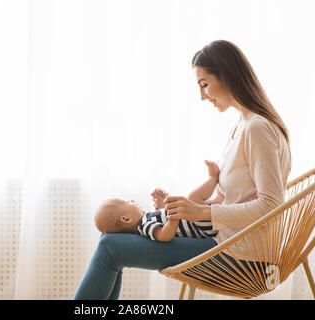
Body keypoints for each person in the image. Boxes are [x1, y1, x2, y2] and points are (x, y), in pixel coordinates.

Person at [73, 40, 292, 300]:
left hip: (243, 259)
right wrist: (189, 209)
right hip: (225, 244)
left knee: (110, 247)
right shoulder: (243, 126)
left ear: (229, 75)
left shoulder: (257, 128)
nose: (202, 96)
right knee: (110, 243)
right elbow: (232, 200)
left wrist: (202, 212)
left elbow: (271, 206)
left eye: (205, 84)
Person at [94, 160, 220, 241]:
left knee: (200, 201)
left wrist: (162, 205)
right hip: (200, 227)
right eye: (127, 202)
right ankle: (213, 178)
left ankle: (220, 198)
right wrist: (173, 216)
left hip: (198, 219)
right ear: (126, 219)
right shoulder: (144, 226)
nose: (132, 200)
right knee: (193, 197)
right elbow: (164, 235)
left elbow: (165, 222)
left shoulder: (147, 218)